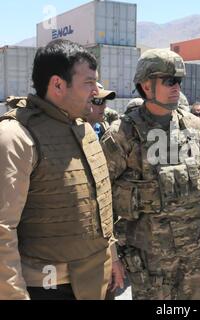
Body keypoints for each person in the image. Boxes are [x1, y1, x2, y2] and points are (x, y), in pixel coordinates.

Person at [0, 39, 124, 300]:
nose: (96, 91)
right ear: (57, 84)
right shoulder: (16, 136)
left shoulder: (84, 129)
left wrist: (111, 256)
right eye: (88, 83)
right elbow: (3, 228)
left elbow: (99, 201)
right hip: (49, 287)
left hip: (96, 280)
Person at [100, 48, 200, 300]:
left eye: (179, 81)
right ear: (146, 86)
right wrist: (112, 253)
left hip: (196, 258)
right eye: (169, 81)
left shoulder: (195, 127)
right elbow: (101, 200)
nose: (176, 88)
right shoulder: (122, 135)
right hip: (151, 264)